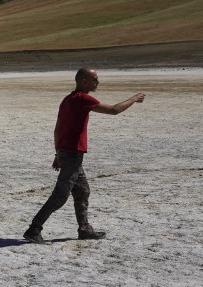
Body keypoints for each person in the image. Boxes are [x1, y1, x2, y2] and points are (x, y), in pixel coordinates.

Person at [24, 68, 145, 244]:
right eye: (94, 79)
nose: (97, 82)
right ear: (83, 81)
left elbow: (58, 129)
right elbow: (114, 110)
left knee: (82, 191)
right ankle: (34, 229)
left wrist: (58, 153)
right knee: (60, 195)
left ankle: (85, 229)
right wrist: (134, 99)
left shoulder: (67, 100)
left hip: (68, 153)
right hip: (72, 155)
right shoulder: (82, 99)